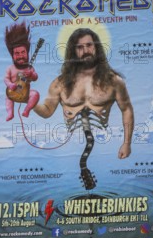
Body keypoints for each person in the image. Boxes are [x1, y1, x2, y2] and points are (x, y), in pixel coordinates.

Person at [32, 27, 134, 160]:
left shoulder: (114, 81)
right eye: (79, 47)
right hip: (68, 151)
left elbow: (126, 109)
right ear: (73, 52)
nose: (86, 51)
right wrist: (30, 102)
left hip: (106, 151)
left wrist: (127, 143)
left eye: (89, 45)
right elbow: (47, 111)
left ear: (96, 47)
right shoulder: (60, 83)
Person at [3, 22, 40, 121]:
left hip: (25, 94)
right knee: (7, 98)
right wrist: (10, 84)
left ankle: (26, 110)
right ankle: (10, 113)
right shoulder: (11, 68)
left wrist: (31, 74)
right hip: (13, 93)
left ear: (27, 53)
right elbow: (6, 78)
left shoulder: (29, 67)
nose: (20, 56)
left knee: (35, 94)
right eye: (17, 53)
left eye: (23, 52)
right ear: (12, 56)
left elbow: (35, 77)